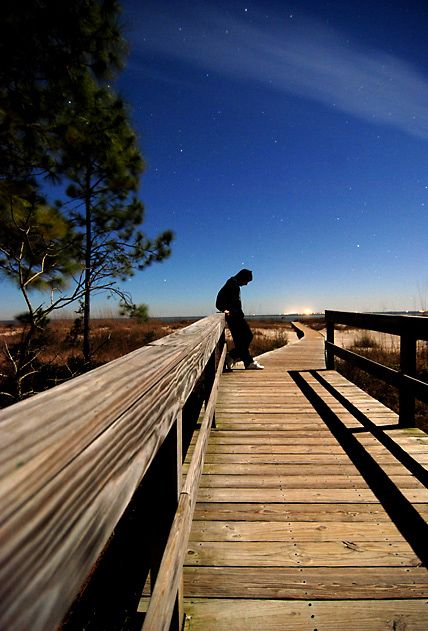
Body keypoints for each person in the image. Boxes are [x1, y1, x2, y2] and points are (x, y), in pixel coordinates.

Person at [216, 268, 264, 370]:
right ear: (242, 277)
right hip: (234, 318)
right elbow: (218, 301)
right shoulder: (231, 284)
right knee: (247, 337)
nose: (246, 284)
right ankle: (240, 359)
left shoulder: (233, 284)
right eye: (247, 281)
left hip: (236, 316)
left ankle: (243, 361)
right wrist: (225, 309)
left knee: (242, 340)